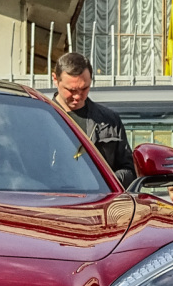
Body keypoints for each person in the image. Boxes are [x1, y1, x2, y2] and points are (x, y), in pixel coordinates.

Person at [51, 52, 136, 186]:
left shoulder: (109, 120)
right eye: (71, 90)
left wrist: (105, 182)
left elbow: (129, 171)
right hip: (52, 201)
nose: (78, 96)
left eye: (84, 88)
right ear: (55, 79)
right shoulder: (40, 119)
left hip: (98, 202)